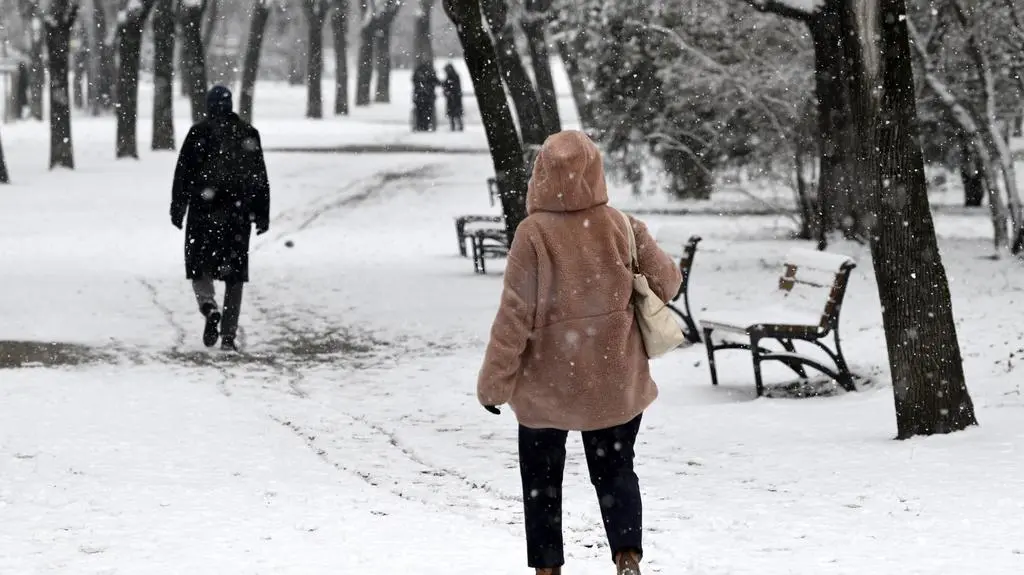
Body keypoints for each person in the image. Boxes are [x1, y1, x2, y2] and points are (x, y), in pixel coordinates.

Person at [477, 131, 681, 575]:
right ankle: (627, 557)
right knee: (616, 473)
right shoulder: (620, 225)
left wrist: (494, 383)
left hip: (545, 390)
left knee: (541, 481)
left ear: (543, 174)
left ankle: (548, 568)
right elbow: (668, 283)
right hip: (613, 382)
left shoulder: (532, 235)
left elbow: (514, 316)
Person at [170, 85, 270, 352]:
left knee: (199, 264)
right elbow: (259, 176)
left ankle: (208, 305)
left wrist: (178, 207)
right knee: (234, 275)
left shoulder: (198, 134)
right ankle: (228, 334)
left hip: (204, 211)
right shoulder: (248, 134)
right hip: (237, 214)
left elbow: (183, 173)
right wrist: (261, 214)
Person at [411, 62, 439, 132]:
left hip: (419, 96)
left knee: (419, 112)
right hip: (428, 97)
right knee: (428, 112)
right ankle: (426, 125)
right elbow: (436, 82)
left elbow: (414, 81)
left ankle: (419, 125)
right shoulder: (430, 72)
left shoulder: (418, 73)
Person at [442, 63, 464, 132]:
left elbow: (452, 86)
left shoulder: (452, 77)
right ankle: (457, 126)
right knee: (455, 113)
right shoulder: (453, 76)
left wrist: (447, 91)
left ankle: (455, 127)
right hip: (454, 97)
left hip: (454, 97)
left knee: (454, 113)